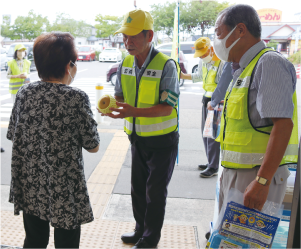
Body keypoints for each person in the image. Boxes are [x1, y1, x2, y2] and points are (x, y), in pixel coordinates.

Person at [7, 32, 100, 249]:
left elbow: (13, 134)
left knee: (34, 241)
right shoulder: (75, 97)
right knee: (67, 244)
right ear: (69, 65)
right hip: (64, 186)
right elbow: (93, 146)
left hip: (30, 182)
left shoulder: (24, 93)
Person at [98, 9, 180, 249]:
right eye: (125, 36)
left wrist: (133, 111)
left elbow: (167, 108)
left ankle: (150, 239)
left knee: (155, 192)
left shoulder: (167, 65)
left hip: (163, 140)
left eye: (133, 36)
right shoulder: (124, 63)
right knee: (137, 188)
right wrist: (111, 107)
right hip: (136, 138)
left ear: (149, 35)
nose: (128, 42)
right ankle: (139, 229)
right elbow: (121, 98)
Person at [214, 4, 298, 213]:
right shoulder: (244, 69)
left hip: (255, 177)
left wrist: (262, 181)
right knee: (228, 243)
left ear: (240, 30)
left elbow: (283, 125)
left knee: (246, 245)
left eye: (219, 33)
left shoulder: (268, 63)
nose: (216, 41)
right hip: (239, 174)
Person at [181, 37, 232, 178]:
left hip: (217, 102)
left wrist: (216, 102)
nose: (202, 57)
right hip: (206, 101)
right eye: (200, 55)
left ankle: (213, 166)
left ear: (210, 49)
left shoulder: (222, 62)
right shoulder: (204, 61)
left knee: (212, 135)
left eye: (204, 54)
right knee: (205, 133)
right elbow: (199, 76)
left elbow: (224, 84)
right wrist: (183, 76)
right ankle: (211, 161)